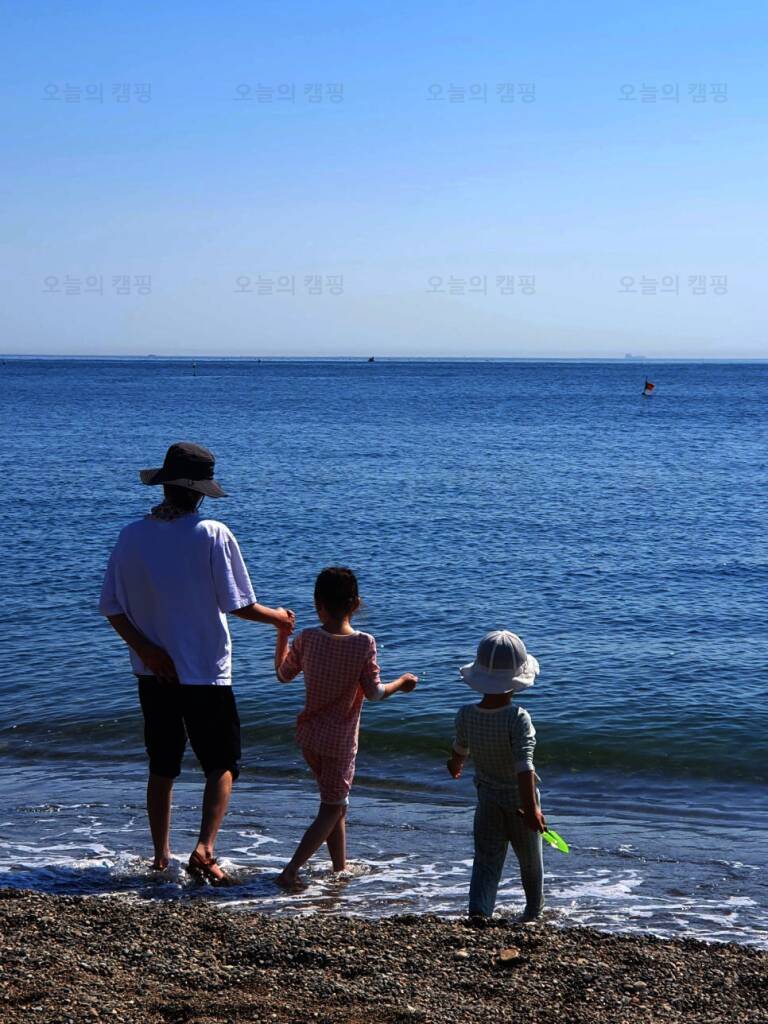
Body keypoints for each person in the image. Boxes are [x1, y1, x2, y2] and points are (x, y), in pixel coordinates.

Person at [99, 441, 294, 884]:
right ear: (201, 493)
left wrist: (147, 650)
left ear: (165, 486)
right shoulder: (212, 533)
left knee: (162, 763)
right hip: (205, 669)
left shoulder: (131, 535)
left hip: (152, 671)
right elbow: (238, 604)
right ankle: (204, 849)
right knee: (222, 762)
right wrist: (279, 619)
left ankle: (160, 857)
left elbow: (111, 608)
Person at [273, 566, 417, 889]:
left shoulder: (307, 638)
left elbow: (282, 675)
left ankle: (340, 867)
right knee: (332, 806)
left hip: (309, 736)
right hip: (339, 741)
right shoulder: (364, 643)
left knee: (336, 803)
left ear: (317, 603)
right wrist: (402, 683)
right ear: (356, 604)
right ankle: (291, 870)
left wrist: (282, 635)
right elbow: (375, 693)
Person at [446, 629, 546, 922]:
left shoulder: (466, 714)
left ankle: (479, 910)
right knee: (530, 861)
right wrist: (531, 809)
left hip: (487, 798)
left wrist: (455, 765)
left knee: (486, 859)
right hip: (519, 801)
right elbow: (524, 767)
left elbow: (460, 749)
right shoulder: (517, 717)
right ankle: (533, 912)